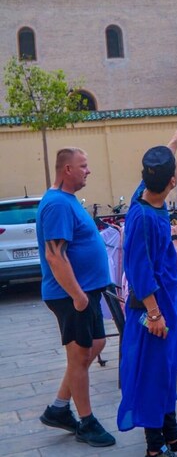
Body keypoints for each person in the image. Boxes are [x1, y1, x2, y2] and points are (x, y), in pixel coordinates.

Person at [117, 120, 177, 457]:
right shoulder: (143, 216)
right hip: (151, 311)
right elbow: (140, 273)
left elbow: (161, 164)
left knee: (167, 372)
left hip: (165, 304)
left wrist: (175, 139)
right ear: (173, 181)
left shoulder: (149, 194)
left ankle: (172, 438)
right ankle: (155, 448)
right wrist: (154, 314)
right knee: (154, 377)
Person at [36, 147, 116, 447]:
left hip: (84, 293)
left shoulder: (66, 200)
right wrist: (78, 296)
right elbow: (55, 256)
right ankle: (86, 422)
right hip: (71, 296)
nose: (88, 170)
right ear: (67, 169)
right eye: (83, 166)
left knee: (96, 344)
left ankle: (58, 408)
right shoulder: (57, 204)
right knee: (80, 356)